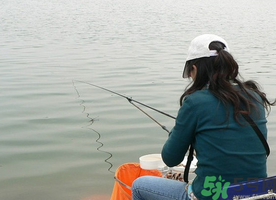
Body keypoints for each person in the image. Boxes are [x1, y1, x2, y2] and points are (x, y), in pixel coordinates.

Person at [132, 34, 275, 200]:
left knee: (140, 185)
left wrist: (179, 129)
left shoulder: (195, 102)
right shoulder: (254, 97)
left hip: (213, 195)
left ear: (195, 68)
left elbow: (170, 158)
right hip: (257, 194)